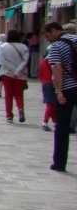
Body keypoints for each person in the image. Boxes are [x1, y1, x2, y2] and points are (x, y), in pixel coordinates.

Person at [42, 21, 77, 171]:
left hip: (68, 88)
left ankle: (59, 163)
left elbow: (56, 68)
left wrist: (59, 90)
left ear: (55, 30)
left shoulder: (55, 47)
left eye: (47, 35)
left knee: (62, 126)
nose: (47, 39)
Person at [0, 29, 30, 123]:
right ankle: (20, 109)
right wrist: (17, 71)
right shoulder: (24, 47)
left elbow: (3, 61)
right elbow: (25, 61)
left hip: (7, 74)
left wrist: (13, 70)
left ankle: (9, 115)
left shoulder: (3, 47)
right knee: (19, 95)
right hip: (21, 75)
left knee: (8, 95)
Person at [39, 56, 57, 132]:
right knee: (51, 104)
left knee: (51, 104)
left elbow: (40, 73)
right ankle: (45, 122)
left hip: (44, 83)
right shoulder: (55, 61)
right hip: (52, 83)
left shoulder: (43, 61)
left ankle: (55, 123)